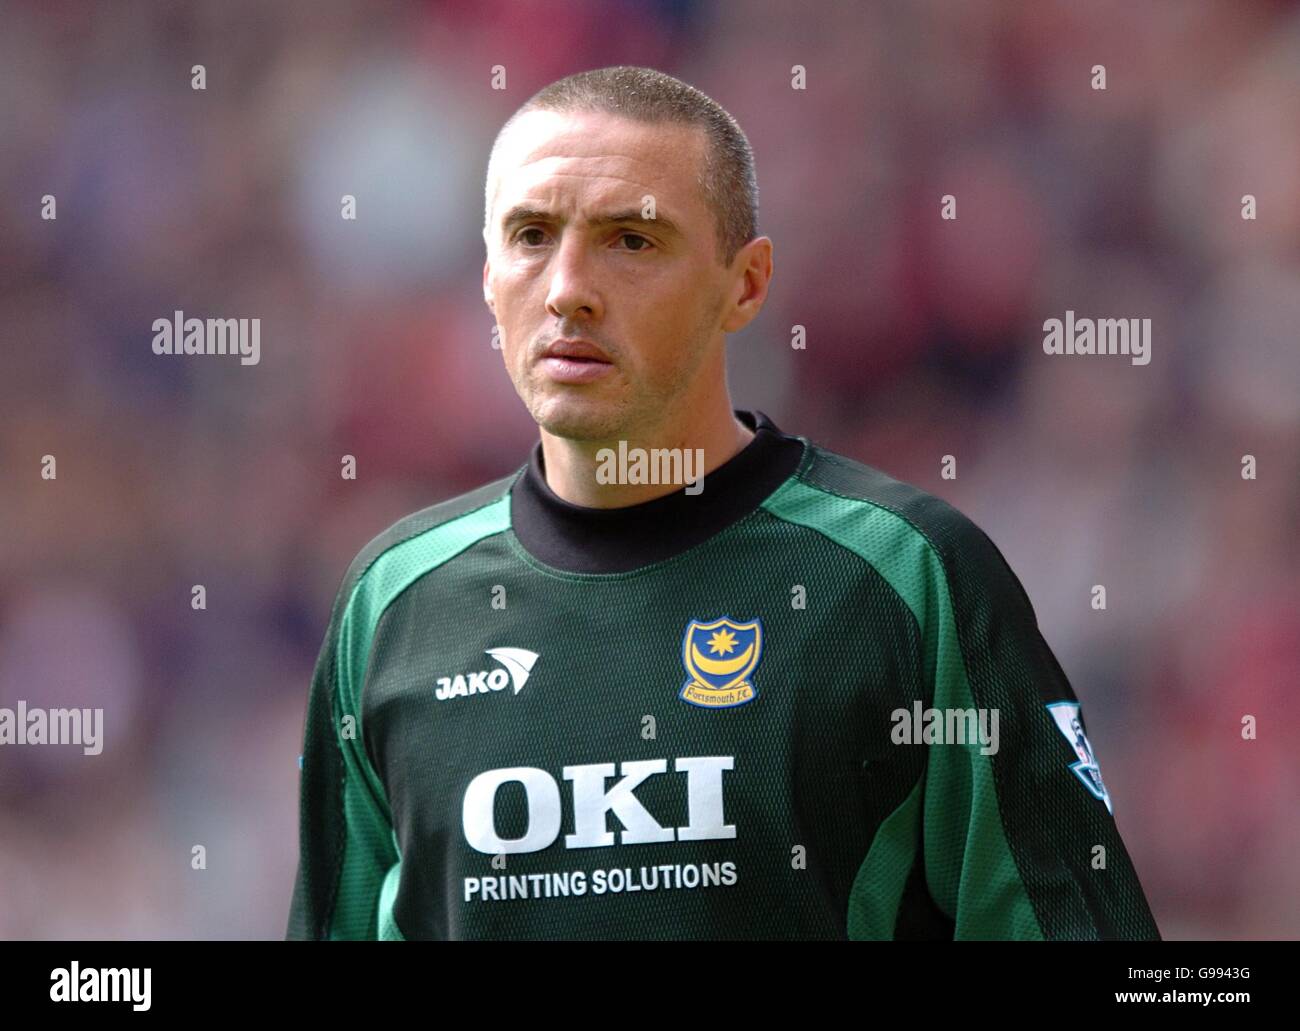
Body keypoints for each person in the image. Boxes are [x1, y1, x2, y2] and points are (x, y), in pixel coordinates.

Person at [286, 65, 1160, 940]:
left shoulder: (905, 579)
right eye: (530, 235)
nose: (566, 289)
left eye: (631, 239)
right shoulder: (393, 606)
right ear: (487, 278)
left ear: (744, 284)